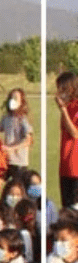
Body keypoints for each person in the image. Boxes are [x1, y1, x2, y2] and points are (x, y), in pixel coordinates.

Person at [0, 88, 32, 187]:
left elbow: (28, 141)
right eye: (11, 97)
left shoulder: (23, 119)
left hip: (19, 163)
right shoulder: (6, 117)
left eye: (16, 98)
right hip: (5, 160)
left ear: (22, 101)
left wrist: (11, 148)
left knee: (17, 191)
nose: (13, 100)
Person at [57, 71, 78, 208]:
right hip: (65, 165)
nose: (59, 92)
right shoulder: (68, 105)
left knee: (74, 211)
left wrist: (63, 110)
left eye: (62, 88)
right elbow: (63, 128)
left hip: (75, 166)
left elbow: (75, 133)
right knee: (66, 208)